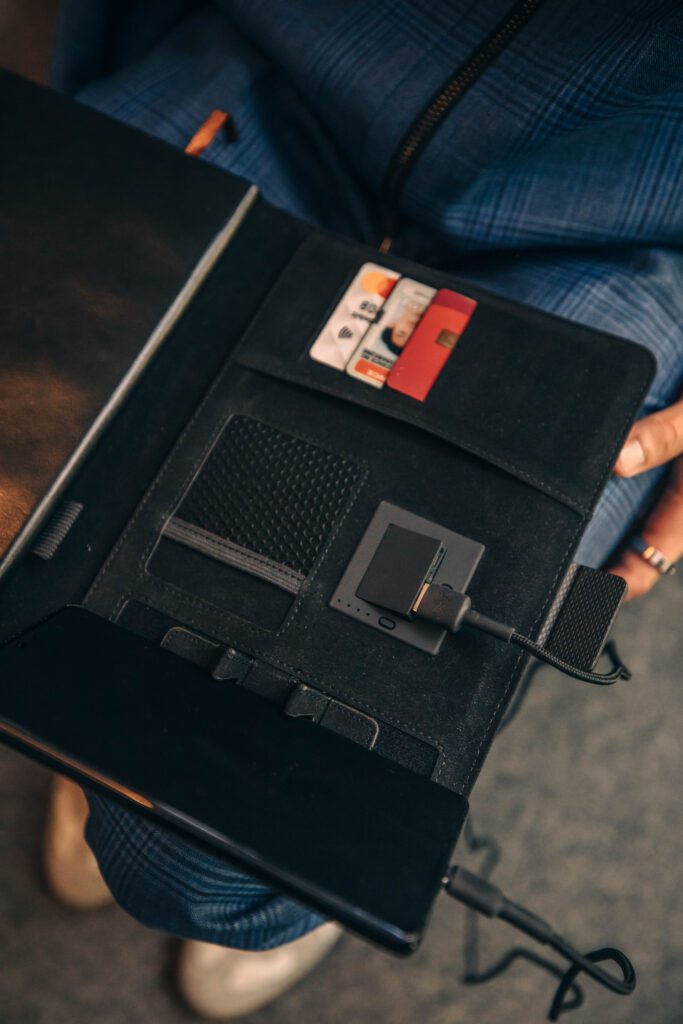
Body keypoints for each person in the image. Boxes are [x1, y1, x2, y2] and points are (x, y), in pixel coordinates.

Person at [44, 1, 683, 1018]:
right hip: (268, 76)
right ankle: (86, 703)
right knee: (64, 589)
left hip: (612, 242)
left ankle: (103, 712)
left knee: (218, 861)